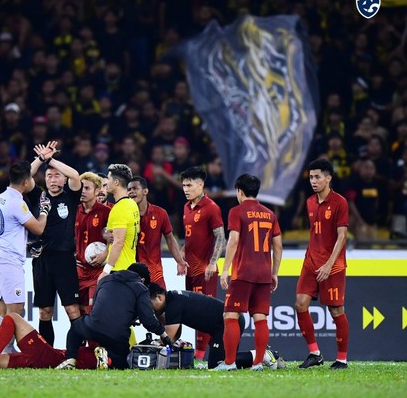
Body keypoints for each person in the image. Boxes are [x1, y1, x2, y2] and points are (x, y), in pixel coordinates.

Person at [216, 174, 283, 371]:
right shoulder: (270, 214)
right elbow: (278, 246)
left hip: (243, 272)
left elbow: (234, 240)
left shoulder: (236, 211)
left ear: (240, 191)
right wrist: (274, 272)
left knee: (230, 315)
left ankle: (229, 363)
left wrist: (225, 269)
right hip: (263, 274)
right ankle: (259, 362)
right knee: (260, 318)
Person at [0, 154, 51, 350]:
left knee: (3, 308)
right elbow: (38, 229)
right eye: (31, 179)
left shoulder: (5, 195)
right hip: (9, 261)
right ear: (26, 182)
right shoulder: (17, 203)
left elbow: (25, 173)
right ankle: (4, 350)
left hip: (0, 257)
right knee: (16, 310)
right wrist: (44, 211)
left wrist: (39, 159)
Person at [56, 263, 171, 370]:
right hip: (116, 335)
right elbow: (148, 320)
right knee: (123, 361)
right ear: (143, 280)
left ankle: (70, 358)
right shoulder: (141, 288)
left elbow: (98, 306)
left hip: (93, 326)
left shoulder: (104, 280)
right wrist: (164, 335)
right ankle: (108, 357)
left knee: (75, 328)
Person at [148, 283, 283, 370]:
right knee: (227, 361)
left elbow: (169, 337)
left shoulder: (172, 305)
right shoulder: (173, 299)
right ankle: (260, 355)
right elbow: (174, 336)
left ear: (159, 297)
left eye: (150, 305)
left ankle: (265, 355)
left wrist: (155, 344)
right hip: (224, 324)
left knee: (218, 364)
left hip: (225, 324)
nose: (151, 309)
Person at [296, 159, 350, 369]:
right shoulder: (310, 202)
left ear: (329, 178)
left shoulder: (340, 202)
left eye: (317, 177)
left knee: (336, 311)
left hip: (333, 265)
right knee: (300, 304)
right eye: (311, 177)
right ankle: (315, 354)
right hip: (311, 262)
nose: (313, 181)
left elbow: (342, 236)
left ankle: (342, 359)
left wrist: (329, 264)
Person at [28, 141, 83, 346]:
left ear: (62, 178)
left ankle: (74, 354)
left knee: (72, 310)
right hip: (42, 260)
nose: (52, 179)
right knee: (45, 311)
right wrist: (40, 160)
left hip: (65, 259)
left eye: (56, 175)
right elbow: (26, 177)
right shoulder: (39, 197)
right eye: (49, 175)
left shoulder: (70, 196)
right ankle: (47, 355)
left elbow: (76, 175)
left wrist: (51, 160)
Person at [180, 166, 226, 368]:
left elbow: (220, 237)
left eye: (189, 185)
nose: (185, 189)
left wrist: (213, 262)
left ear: (201, 185)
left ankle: (199, 357)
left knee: (204, 314)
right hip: (190, 269)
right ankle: (196, 355)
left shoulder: (211, 208)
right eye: (183, 185)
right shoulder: (186, 207)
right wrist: (181, 252)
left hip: (205, 271)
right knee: (191, 312)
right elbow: (191, 237)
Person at [127, 176, 188, 289]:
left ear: (145, 191)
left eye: (135, 188)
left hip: (154, 272)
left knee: (159, 304)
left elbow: (170, 239)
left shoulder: (160, 213)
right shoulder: (125, 215)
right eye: (129, 189)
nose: (131, 192)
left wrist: (180, 261)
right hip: (131, 272)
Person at [74, 172, 111, 314]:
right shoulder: (74, 211)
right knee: (79, 311)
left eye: (87, 188)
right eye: (81, 188)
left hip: (98, 270)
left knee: (94, 309)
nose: (83, 191)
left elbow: (114, 238)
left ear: (97, 191)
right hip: (79, 270)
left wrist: (106, 253)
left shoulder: (106, 212)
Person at [97, 164, 140, 281]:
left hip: (118, 270)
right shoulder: (132, 204)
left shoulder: (120, 208)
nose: (106, 183)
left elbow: (119, 242)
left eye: (109, 179)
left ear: (116, 182)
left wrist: (106, 270)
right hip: (130, 265)